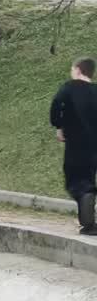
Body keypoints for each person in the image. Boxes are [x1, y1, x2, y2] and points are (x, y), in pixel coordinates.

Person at [50, 57, 97, 235]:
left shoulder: (69, 87)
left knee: (77, 181)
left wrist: (59, 126)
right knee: (89, 177)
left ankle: (88, 222)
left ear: (77, 70)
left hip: (76, 142)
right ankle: (89, 221)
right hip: (94, 145)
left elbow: (56, 105)